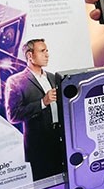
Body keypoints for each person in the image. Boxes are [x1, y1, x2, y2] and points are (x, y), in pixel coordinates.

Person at [4, 38, 62, 181]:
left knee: (64, 183)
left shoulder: (53, 77)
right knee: (45, 187)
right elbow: (13, 115)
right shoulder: (16, 81)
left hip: (60, 141)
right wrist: (43, 102)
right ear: (30, 55)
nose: (47, 54)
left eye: (47, 50)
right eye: (42, 51)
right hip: (39, 146)